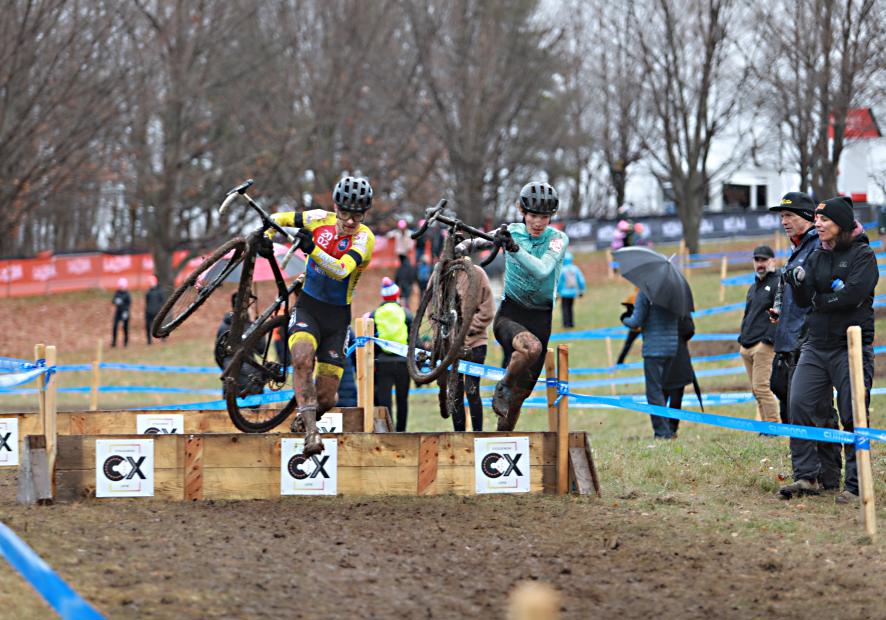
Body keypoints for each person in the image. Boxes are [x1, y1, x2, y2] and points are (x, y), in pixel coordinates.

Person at [780, 197, 878, 504]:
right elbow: (804, 300)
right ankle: (807, 476)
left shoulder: (863, 255)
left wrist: (821, 300)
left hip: (850, 346)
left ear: (841, 224)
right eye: (817, 219)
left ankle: (856, 485)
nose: (818, 224)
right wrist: (797, 283)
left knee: (853, 413)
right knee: (799, 403)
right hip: (815, 344)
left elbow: (853, 296)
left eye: (824, 220)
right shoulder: (817, 255)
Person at [270, 176, 375, 457]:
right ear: (336, 207)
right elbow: (276, 219)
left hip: (337, 319)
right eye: (346, 213)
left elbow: (341, 270)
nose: (351, 221)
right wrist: (267, 236)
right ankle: (311, 432)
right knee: (302, 358)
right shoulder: (317, 219)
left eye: (358, 215)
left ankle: (308, 417)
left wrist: (312, 249)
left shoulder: (364, 238)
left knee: (327, 398)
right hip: (309, 307)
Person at [457, 181, 568, 431]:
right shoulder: (512, 231)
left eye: (544, 217)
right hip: (510, 315)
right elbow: (480, 242)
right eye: (533, 215)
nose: (538, 222)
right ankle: (503, 386)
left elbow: (543, 270)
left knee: (519, 398)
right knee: (531, 348)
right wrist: (460, 246)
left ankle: (501, 441)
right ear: (523, 212)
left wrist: (514, 249)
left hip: (541, 318)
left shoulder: (557, 239)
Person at [767, 192, 842, 494]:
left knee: (811, 409)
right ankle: (818, 474)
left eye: (790, 215)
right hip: (791, 339)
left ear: (809, 217)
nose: (784, 221)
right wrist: (780, 311)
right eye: (782, 216)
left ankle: (816, 476)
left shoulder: (816, 247)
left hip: (808, 340)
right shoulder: (798, 249)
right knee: (805, 408)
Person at [436, 259, 496, 430]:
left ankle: (478, 434)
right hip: (450, 344)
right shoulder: (440, 272)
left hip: (475, 342)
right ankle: (459, 435)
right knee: (455, 393)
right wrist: (441, 333)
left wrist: (468, 328)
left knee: (472, 390)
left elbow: (488, 309)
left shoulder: (477, 273)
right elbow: (432, 308)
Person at [622, 289, 680, 439]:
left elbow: (636, 322)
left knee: (654, 392)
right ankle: (668, 429)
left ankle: (662, 432)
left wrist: (625, 318)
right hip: (672, 348)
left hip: (654, 350)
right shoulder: (674, 292)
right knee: (663, 390)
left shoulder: (645, 292)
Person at [737, 246, 780, 424]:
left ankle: (773, 425)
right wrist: (742, 339)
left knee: (762, 388)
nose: (760, 264)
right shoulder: (753, 287)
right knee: (756, 391)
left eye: (764, 260)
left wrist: (767, 340)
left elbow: (780, 313)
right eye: (757, 260)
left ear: (772, 261)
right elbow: (748, 314)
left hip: (763, 346)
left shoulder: (778, 283)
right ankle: (765, 427)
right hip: (747, 345)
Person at [369, 278, 412, 432]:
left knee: (384, 401)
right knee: (402, 400)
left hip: (382, 363)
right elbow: (413, 339)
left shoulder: (375, 314)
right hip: (403, 362)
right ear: (396, 295)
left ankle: (388, 431)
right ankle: (402, 431)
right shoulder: (405, 313)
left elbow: (371, 340)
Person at [661, 314, 701, 436]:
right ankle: (669, 429)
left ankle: (666, 429)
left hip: (661, 354)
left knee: (665, 393)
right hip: (675, 353)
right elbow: (689, 330)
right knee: (674, 393)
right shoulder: (681, 306)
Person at [556, 252, 586, 328]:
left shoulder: (562, 270)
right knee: (570, 307)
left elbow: (559, 282)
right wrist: (582, 290)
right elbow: (581, 280)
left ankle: (566, 324)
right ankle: (571, 323)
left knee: (564, 308)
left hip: (564, 293)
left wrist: (557, 291)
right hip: (573, 292)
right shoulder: (575, 269)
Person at [144, 275, 165, 345]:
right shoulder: (148, 292)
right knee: (148, 326)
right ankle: (149, 341)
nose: (150, 283)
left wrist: (161, 310)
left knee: (160, 326)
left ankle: (162, 338)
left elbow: (162, 301)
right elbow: (147, 302)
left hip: (158, 312)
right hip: (149, 312)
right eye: (149, 282)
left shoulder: (160, 291)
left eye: (151, 281)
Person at [111, 278, 131, 348]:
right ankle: (114, 342)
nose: (121, 287)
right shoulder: (117, 293)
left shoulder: (127, 294)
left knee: (125, 327)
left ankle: (125, 342)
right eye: (120, 286)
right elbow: (113, 301)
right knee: (115, 327)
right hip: (118, 312)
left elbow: (129, 304)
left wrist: (126, 312)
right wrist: (116, 301)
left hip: (125, 312)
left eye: (122, 286)